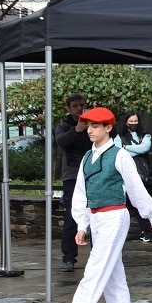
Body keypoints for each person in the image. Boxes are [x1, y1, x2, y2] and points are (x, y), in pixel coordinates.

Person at [44, 107, 152, 303]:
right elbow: (81, 193)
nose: (89, 130)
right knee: (113, 277)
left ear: (108, 128)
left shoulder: (120, 155)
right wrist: (82, 225)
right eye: (88, 125)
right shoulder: (87, 157)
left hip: (114, 217)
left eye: (95, 126)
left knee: (95, 270)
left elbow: (135, 188)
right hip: (97, 219)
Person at [55, 94, 90, 272]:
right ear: (69, 108)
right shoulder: (64, 126)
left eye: (81, 105)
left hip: (92, 175)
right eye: (75, 106)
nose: (79, 109)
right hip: (72, 176)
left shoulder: (92, 123)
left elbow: (110, 134)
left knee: (96, 217)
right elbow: (61, 142)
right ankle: (69, 258)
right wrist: (76, 129)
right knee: (71, 219)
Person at [115, 110, 152, 243]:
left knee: (141, 202)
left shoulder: (145, 135)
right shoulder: (119, 136)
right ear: (126, 122)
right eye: (131, 121)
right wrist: (135, 149)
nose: (133, 124)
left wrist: (126, 148)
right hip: (125, 175)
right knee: (124, 204)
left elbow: (145, 148)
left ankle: (145, 231)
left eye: (135, 121)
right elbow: (118, 152)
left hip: (142, 175)